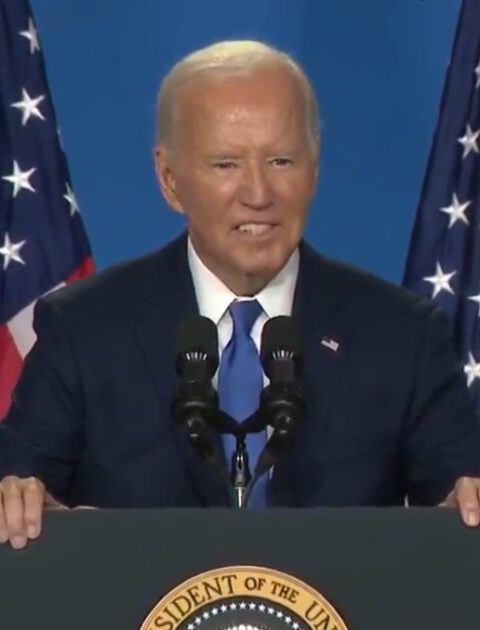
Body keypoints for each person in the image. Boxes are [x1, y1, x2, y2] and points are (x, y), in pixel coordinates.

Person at [1, 40, 480, 550]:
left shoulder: (403, 336)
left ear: (314, 169)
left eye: (281, 160)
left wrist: (464, 509)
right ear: (169, 180)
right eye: (226, 164)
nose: (258, 194)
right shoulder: (83, 330)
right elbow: (21, 493)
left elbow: (459, 506)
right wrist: (22, 503)